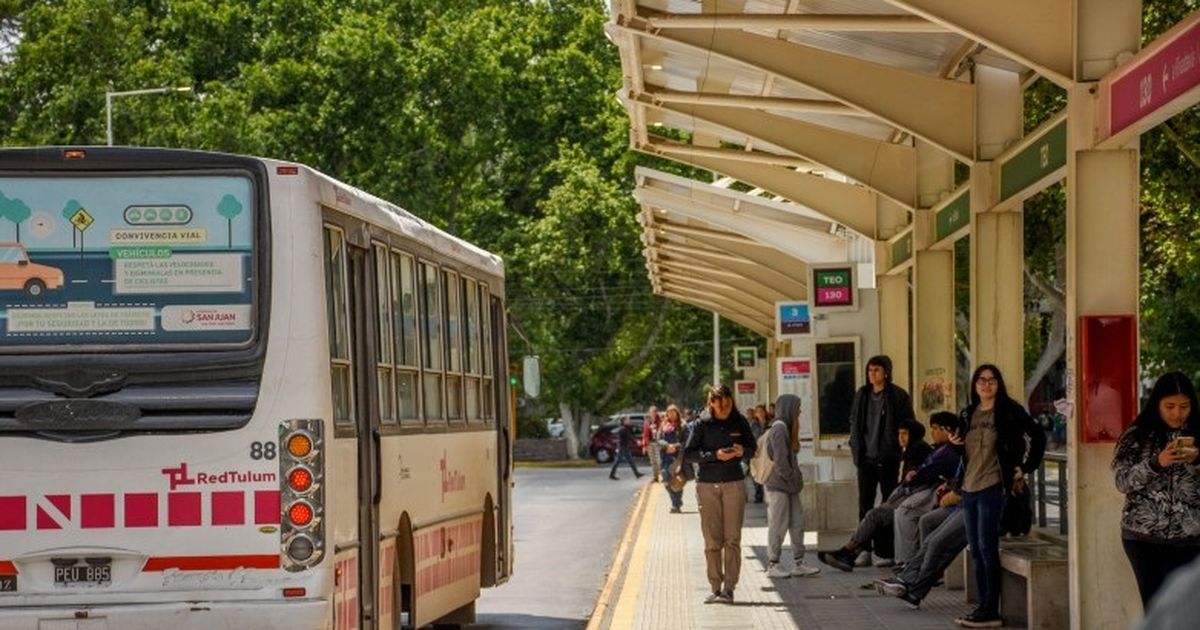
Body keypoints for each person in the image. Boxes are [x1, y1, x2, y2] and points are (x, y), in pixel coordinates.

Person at [948, 364, 1045, 628]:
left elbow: (1037, 436)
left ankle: (991, 609)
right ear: (975, 385)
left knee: (988, 548)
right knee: (976, 550)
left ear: (998, 384)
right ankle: (983, 606)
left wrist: (1025, 467)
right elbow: (963, 452)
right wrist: (954, 446)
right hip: (969, 488)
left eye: (992, 380)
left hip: (993, 486)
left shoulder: (1010, 411)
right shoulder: (968, 414)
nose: (986, 384)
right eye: (981, 380)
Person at [819, 412, 961, 572]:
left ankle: (898, 561)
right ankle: (851, 552)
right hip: (919, 494)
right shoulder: (931, 449)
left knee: (889, 514)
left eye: (905, 433)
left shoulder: (927, 449)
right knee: (878, 514)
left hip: (926, 496)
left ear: (947, 430)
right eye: (899, 433)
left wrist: (912, 478)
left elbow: (923, 474)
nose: (900, 437)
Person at [1113, 371, 1200, 609]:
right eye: (1170, 406)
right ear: (1157, 404)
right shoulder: (1138, 435)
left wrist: (1196, 461)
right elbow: (1122, 481)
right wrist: (1156, 463)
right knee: (1156, 607)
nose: (1177, 413)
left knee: (1188, 611)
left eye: (1184, 406)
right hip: (1143, 538)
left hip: (1191, 539)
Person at [684, 384, 757, 604]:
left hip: (734, 483)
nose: (725, 409)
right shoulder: (701, 424)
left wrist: (741, 451)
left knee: (732, 539)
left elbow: (753, 447)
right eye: (720, 405)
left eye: (728, 404)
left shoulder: (740, 421)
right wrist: (714, 455)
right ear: (711, 403)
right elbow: (689, 453)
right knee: (712, 540)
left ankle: (729, 589)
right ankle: (715, 587)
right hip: (707, 485)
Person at [848, 355, 916, 567]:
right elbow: (854, 421)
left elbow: (908, 424)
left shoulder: (897, 395)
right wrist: (855, 446)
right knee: (865, 504)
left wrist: (900, 448)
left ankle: (886, 551)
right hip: (865, 458)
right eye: (870, 370)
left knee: (888, 505)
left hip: (888, 458)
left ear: (886, 372)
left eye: (876, 370)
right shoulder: (862, 394)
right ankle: (864, 550)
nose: (872, 374)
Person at [874, 486, 968, 610]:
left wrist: (955, 494)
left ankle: (914, 589)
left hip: (975, 503)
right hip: (965, 503)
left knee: (937, 543)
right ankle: (906, 581)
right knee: (930, 541)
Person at [763, 394, 821, 578]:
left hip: (789, 486)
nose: (800, 412)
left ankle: (799, 562)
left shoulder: (786, 428)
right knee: (778, 525)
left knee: (797, 523)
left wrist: (794, 481)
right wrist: (793, 479)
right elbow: (781, 462)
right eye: (797, 408)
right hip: (779, 486)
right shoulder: (779, 429)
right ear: (789, 409)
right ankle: (773, 564)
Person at [659, 404, 688, 513]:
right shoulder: (663, 425)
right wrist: (667, 446)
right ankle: (677, 502)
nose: (670, 415)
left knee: (677, 481)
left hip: (677, 458)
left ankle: (675, 505)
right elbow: (659, 439)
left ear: (677, 413)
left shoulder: (683, 425)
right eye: (668, 412)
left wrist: (675, 446)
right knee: (666, 481)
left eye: (673, 412)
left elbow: (686, 442)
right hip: (665, 457)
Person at [609, 415, 644, 481]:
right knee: (617, 461)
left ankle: (637, 474)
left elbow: (630, 436)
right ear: (624, 421)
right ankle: (612, 475)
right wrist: (636, 441)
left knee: (630, 461)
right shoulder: (623, 429)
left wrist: (636, 441)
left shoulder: (626, 428)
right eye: (627, 420)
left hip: (625, 447)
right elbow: (629, 437)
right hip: (622, 447)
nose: (629, 421)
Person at [749, 404, 770, 503]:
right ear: (755, 414)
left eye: (762, 411)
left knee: (766, 471)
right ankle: (758, 494)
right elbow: (750, 438)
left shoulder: (770, 424)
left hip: (767, 452)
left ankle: (766, 492)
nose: (760, 413)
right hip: (757, 451)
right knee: (756, 472)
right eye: (758, 412)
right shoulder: (753, 425)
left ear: (765, 412)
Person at [642, 406, 664, 482]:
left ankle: (663, 475)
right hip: (650, 443)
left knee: (659, 460)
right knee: (653, 461)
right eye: (651, 412)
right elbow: (645, 434)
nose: (653, 414)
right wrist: (644, 445)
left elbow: (663, 430)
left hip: (658, 443)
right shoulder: (647, 422)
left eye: (654, 412)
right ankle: (655, 476)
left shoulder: (660, 421)